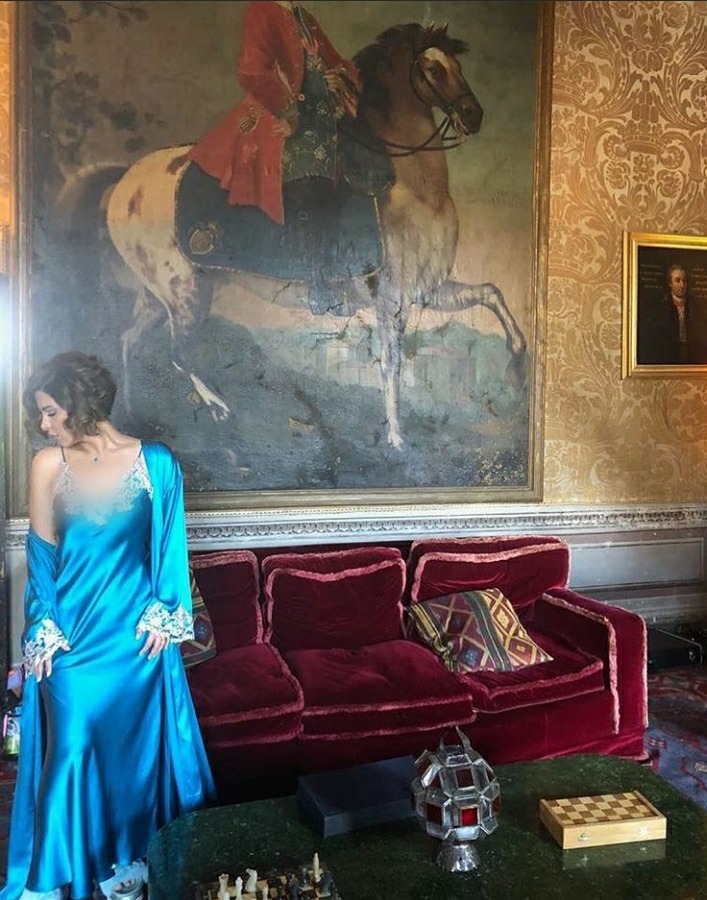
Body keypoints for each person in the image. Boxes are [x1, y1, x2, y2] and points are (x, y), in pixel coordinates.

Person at [1, 352, 216, 900]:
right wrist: (41, 626)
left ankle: (124, 861)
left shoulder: (157, 463)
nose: (44, 424)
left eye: (51, 412)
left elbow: (169, 544)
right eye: (40, 414)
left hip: (135, 641)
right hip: (70, 642)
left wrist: (166, 610)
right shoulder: (48, 465)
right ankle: (61, 875)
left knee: (133, 759)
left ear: (80, 403)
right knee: (71, 750)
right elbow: (42, 558)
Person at [186, 0, 381, 314]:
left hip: (320, 120)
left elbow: (334, 63)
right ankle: (317, 286)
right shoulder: (261, 10)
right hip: (280, 117)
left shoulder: (302, 15)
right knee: (308, 187)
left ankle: (354, 268)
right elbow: (252, 71)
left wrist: (337, 80)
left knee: (365, 163)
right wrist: (291, 110)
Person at [637, 262, 707, 366]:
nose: (682, 285)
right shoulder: (661, 308)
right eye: (677, 280)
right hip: (668, 356)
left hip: (692, 356)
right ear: (670, 284)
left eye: (684, 281)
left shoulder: (695, 307)